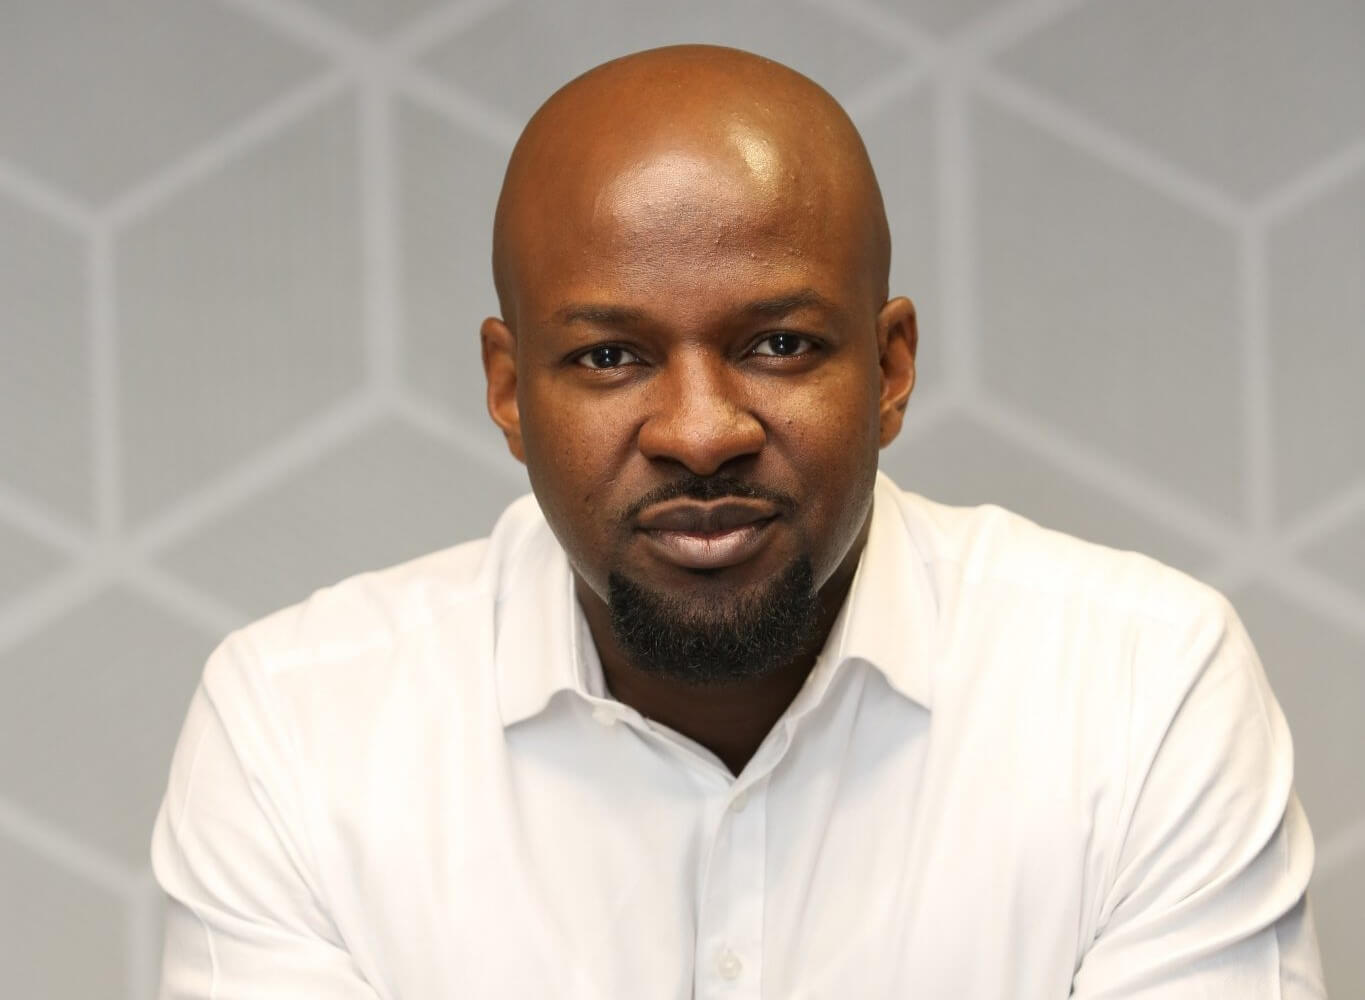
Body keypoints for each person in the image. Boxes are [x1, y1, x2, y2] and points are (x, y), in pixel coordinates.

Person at [151, 44, 1324, 998]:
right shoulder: (298, 730)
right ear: (509, 390)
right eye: (610, 356)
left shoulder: (1140, 688)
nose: (701, 431)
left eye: (779, 344)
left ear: (891, 366)